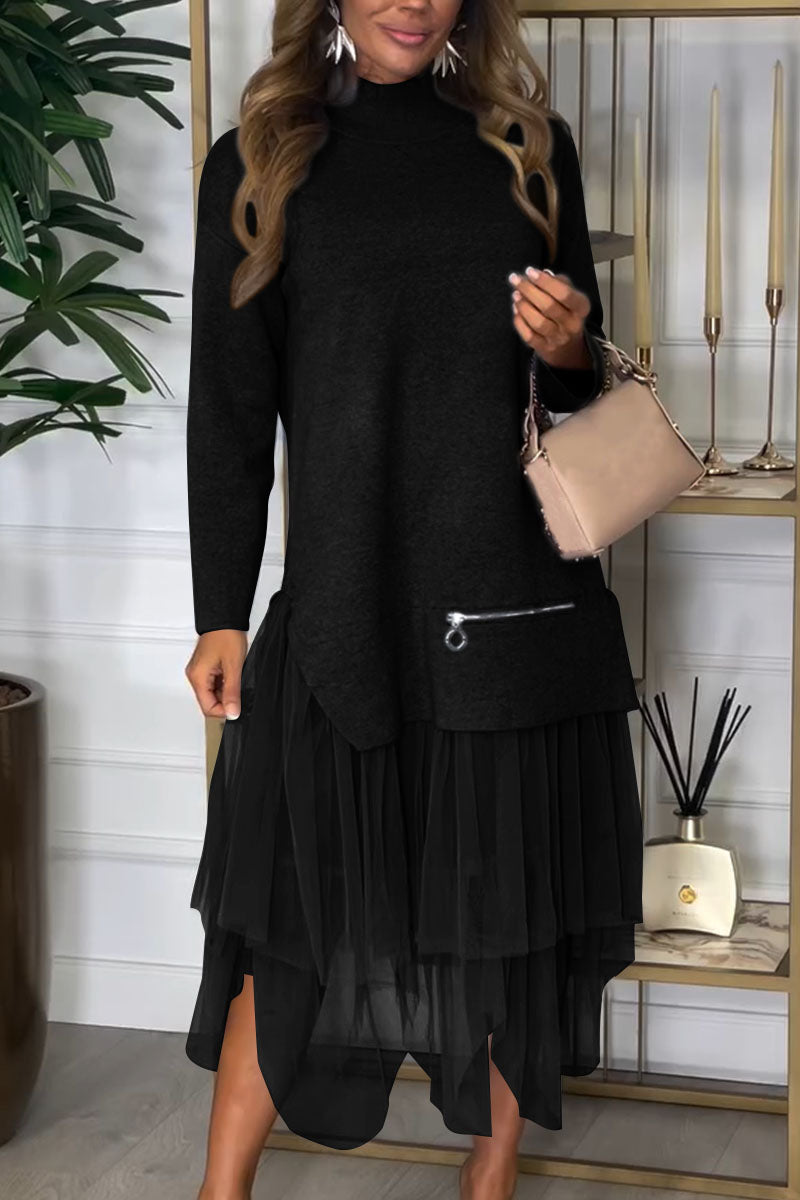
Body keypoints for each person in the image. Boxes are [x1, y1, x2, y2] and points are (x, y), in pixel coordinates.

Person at [183, 2, 644, 1198]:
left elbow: (573, 392)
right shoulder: (261, 158)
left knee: (507, 923)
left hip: (510, 600)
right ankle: (219, 1190)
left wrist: (565, 344)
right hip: (345, 600)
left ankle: (487, 1183)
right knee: (291, 929)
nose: (411, 1)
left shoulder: (524, 148)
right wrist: (220, 609)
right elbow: (229, 404)